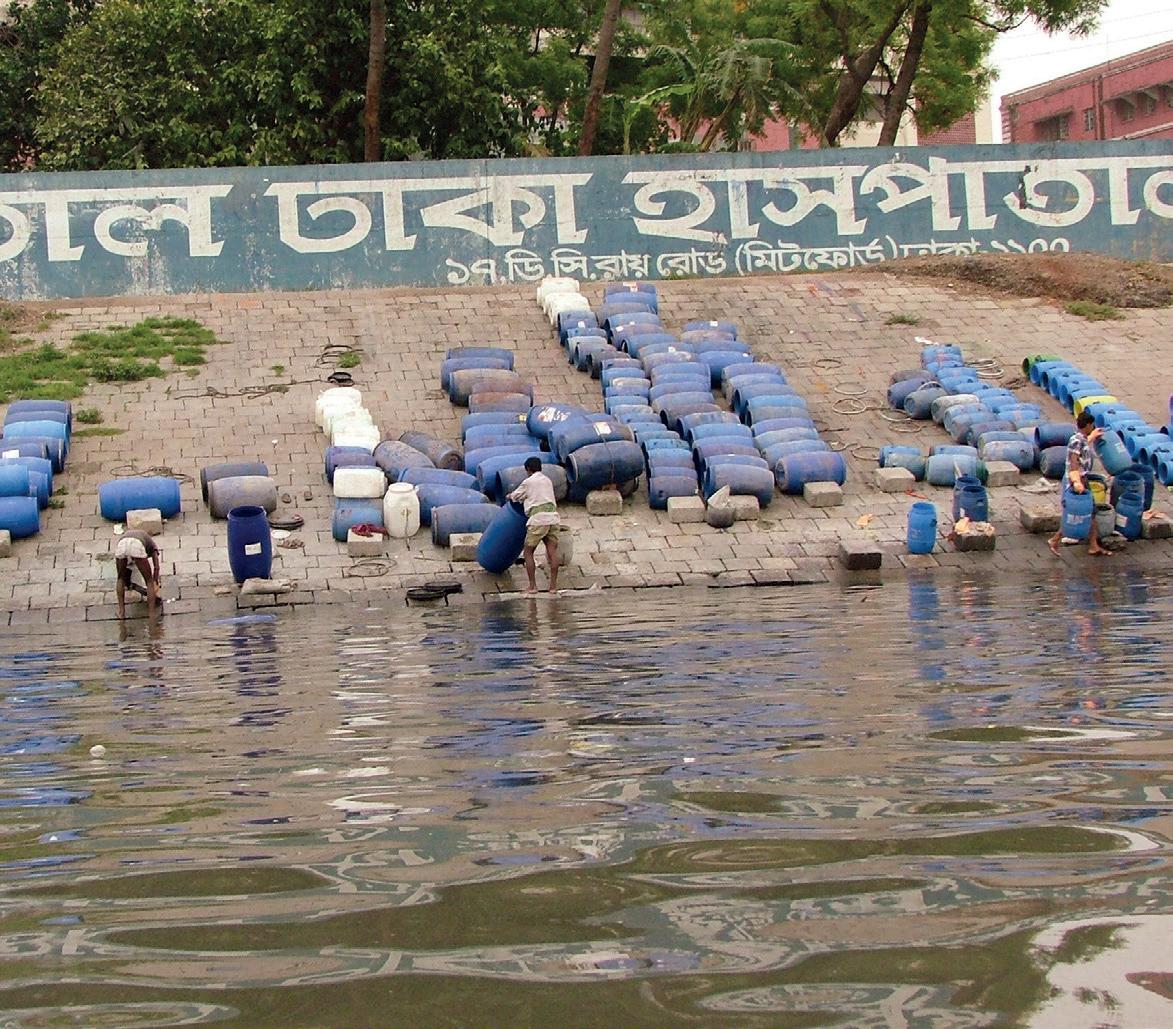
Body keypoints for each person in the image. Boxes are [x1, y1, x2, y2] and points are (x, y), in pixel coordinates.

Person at [1049, 410, 1112, 557]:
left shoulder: (1081, 438)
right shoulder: (1076, 441)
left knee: (1090, 513)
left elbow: (1084, 447)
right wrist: (1077, 482)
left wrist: (1093, 437)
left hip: (1083, 479)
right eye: (1092, 425)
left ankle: (1093, 546)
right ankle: (1055, 540)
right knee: (1076, 513)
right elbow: (1074, 463)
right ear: (1088, 425)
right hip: (1076, 481)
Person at [507, 456, 562, 594]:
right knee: (552, 552)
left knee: (528, 552)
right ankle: (553, 587)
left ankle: (532, 587)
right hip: (553, 518)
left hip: (538, 520)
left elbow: (516, 496)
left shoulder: (528, 482)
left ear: (528, 469)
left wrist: (509, 496)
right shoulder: (548, 480)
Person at [115, 528, 162, 618]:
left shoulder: (133, 535)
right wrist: (155, 579)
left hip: (122, 544)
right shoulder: (151, 543)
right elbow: (156, 566)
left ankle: (121, 612)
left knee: (120, 578)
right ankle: (151, 614)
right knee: (149, 581)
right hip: (136, 545)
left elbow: (127, 566)